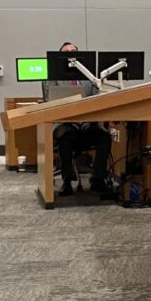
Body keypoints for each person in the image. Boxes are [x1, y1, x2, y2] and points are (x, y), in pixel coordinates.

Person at [44, 43, 112, 196]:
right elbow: (50, 100)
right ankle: (67, 182)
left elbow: (97, 97)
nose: (70, 54)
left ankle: (98, 179)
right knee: (65, 136)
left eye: (73, 51)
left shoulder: (89, 76)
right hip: (65, 123)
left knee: (104, 136)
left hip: (88, 123)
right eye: (66, 52)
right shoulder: (53, 77)